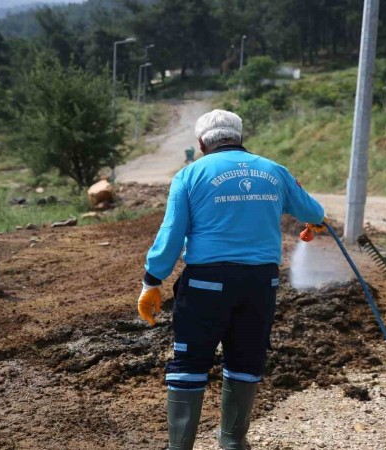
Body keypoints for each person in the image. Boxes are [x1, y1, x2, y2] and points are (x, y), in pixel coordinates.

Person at [136, 109, 325, 450]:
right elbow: (313, 211)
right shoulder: (273, 170)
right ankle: (233, 443)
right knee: (245, 359)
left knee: (190, 363)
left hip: (206, 284)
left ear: (201, 143)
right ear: (239, 137)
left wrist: (152, 280)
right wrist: (316, 222)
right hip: (260, 284)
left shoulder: (190, 174)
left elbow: (171, 235)